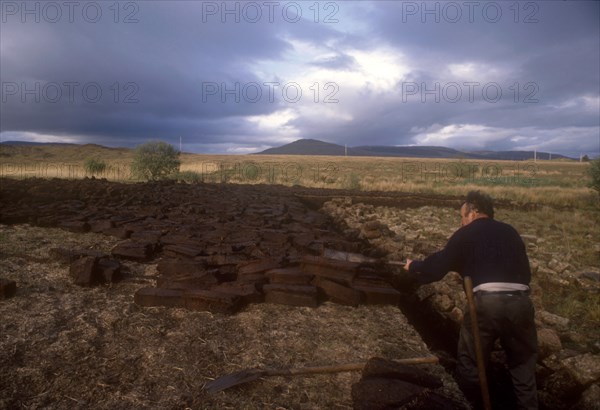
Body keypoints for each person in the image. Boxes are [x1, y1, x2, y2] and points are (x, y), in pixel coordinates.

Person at [405, 191, 538, 409]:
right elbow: (522, 271)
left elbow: (438, 266)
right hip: (521, 302)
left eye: (462, 216)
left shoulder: (466, 233)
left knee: (471, 361)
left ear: (473, 211)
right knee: (523, 366)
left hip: (487, 303)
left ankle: (468, 404)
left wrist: (414, 267)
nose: (462, 221)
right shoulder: (511, 232)